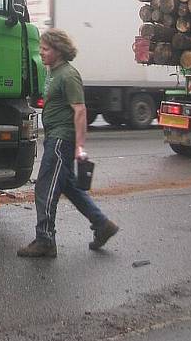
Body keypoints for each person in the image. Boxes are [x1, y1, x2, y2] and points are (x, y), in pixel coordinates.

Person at [17, 28, 119, 258]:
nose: (41, 52)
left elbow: (80, 111)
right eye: (41, 48)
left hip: (61, 140)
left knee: (45, 188)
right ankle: (102, 224)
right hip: (55, 136)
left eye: (46, 49)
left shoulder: (68, 75)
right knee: (69, 187)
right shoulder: (54, 72)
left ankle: (45, 240)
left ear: (59, 51)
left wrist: (80, 147)